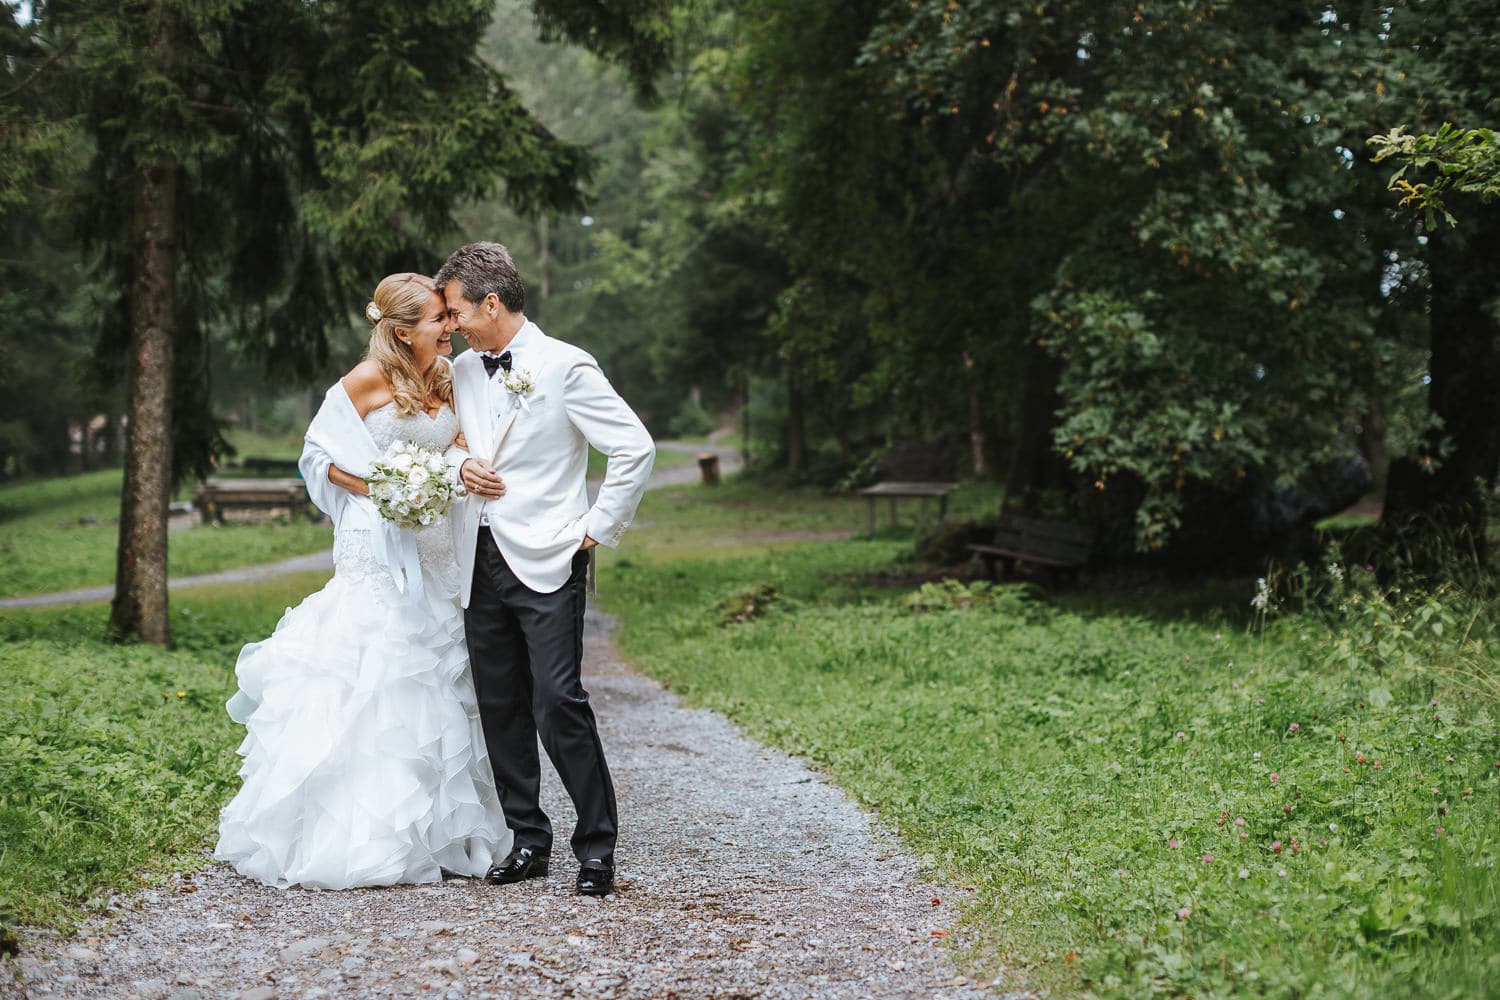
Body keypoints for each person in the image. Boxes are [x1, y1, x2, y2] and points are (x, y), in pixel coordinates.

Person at [215, 272, 511, 889]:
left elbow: (454, 444)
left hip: (433, 542)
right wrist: (385, 488)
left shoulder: (447, 376)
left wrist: (452, 471)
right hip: (378, 542)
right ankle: (363, 835)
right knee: (381, 663)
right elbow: (318, 457)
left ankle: (440, 832)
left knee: (440, 667)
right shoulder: (365, 380)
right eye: (438, 319)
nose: (450, 325)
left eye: (449, 316)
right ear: (403, 333)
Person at [438, 242, 654, 897]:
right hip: (477, 558)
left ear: (492, 303)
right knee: (500, 705)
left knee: (558, 702)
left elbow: (634, 447)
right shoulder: (464, 372)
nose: (450, 325)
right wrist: (457, 469)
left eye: (456, 311)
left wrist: (594, 529)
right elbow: (444, 445)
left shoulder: (566, 366)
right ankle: (528, 841)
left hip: (549, 557)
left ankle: (597, 850)